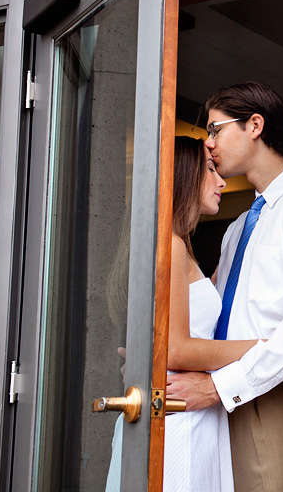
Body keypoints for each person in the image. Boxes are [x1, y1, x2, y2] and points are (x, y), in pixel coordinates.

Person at [105, 136, 263, 492]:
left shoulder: (177, 247)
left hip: (182, 415)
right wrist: (261, 347)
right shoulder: (172, 247)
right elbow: (176, 349)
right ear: (184, 175)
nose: (222, 181)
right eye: (209, 170)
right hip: (179, 420)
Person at [166, 82, 283, 492]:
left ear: (254, 125)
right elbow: (208, 316)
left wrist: (218, 388)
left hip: (265, 395)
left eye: (215, 130)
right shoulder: (237, 228)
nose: (209, 145)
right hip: (215, 402)